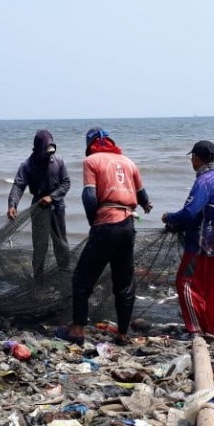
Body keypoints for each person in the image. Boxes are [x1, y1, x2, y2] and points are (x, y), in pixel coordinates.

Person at [55, 127, 152, 346]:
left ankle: (78, 330)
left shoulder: (91, 161)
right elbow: (142, 196)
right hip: (128, 225)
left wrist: (93, 222)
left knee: (81, 279)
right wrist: (146, 205)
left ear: (90, 145)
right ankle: (122, 334)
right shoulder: (128, 162)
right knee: (124, 283)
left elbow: (89, 196)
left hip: (106, 224)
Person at [161, 140, 214, 336]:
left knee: (184, 282)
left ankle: (195, 328)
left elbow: (190, 212)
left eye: (192, 157)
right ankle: (212, 327)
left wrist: (170, 217)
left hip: (200, 243)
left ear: (197, 158)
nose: (191, 161)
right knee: (210, 286)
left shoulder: (203, 182)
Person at [7, 130, 71, 282]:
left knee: (61, 244)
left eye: (51, 152)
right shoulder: (28, 165)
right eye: (46, 151)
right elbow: (18, 185)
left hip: (57, 206)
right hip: (39, 207)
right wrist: (12, 205)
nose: (49, 155)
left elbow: (66, 183)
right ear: (38, 148)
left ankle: (64, 274)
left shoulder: (59, 162)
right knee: (40, 245)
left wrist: (52, 197)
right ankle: (38, 278)